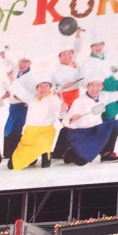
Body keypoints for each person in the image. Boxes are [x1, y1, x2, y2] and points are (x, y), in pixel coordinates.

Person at [62, 75, 118, 166]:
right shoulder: (79, 101)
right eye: (91, 85)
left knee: (113, 124)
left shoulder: (104, 96)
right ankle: (71, 152)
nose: (94, 88)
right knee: (81, 162)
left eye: (98, 85)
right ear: (87, 86)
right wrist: (72, 118)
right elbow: (65, 121)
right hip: (81, 134)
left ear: (102, 86)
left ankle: (106, 153)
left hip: (95, 131)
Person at [8, 78, 64, 170]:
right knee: (12, 165)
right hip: (30, 133)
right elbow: (21, 91)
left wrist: (62, 108)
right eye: (40, 86)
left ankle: (46, 156)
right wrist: (11, 79)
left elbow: (57, 111)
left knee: (44, 146)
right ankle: (32, 157)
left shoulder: (54, 99)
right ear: (36, 88)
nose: (43, 88)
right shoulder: (31, 97)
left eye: (46, 85)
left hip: (45, 132)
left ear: (50, 87)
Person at [51, 30, 83, 159]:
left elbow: (77, 47)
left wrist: (78, 34)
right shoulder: (57, 71)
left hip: (76, 99)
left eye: (69, 53)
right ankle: (62, 151)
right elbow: (54, 87)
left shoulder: (74, 62)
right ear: (59, 57)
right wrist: (63, 86)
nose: (67, 56)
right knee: (69, 125)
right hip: (65, 101)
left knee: (72, 126)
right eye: (64, 54)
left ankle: (60, 151)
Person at [0, 52, 35, 159]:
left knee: (16, 128)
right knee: (8, 128)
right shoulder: (16, 71)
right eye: (21, 61)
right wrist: (3, 57)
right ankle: (8, 152)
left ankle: (15, 152)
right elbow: (9, 64)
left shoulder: (30, 78)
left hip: (21, 107)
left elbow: (33, 92)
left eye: (25, 62)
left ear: (30, 63)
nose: (22, 64)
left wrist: (28, 102)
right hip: (13, 106)